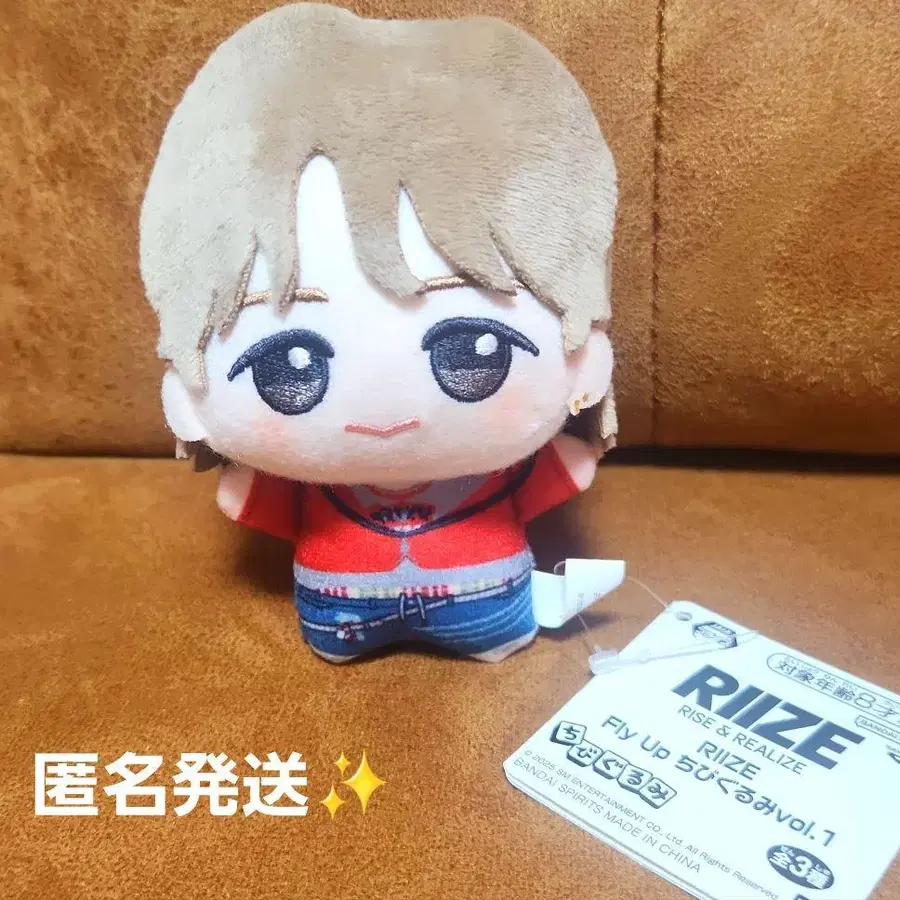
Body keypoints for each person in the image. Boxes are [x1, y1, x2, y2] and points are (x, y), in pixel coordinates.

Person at [140, 4, 618, 662]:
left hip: (482, 600)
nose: (386, 406)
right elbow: (247, 496)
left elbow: (567, 470)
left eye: (473, 352)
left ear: (586, 361)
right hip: (341, 611)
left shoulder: (509, 470)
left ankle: (489, 630)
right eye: (289, 367)